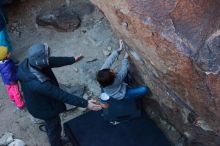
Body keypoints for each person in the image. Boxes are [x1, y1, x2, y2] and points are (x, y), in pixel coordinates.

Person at [17, 43, 101, 146]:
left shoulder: (27, 63)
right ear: (40, 61)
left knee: (50, 125)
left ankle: (49, 129)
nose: (49, 58)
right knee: (54, 126)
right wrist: (85, 103)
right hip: (44, 110)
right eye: (46, 57)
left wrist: (71, 60)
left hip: (36, 102)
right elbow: (61, 95)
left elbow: (50, 61)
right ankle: (56, 142)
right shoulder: (39, 84)